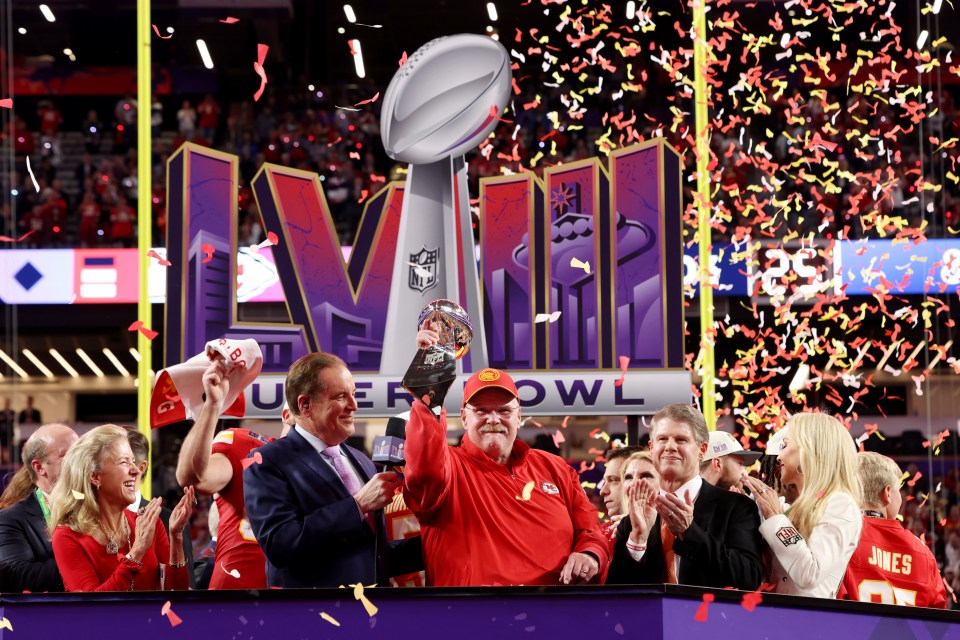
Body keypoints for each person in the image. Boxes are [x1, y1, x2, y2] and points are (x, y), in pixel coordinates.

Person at [406, 324, 609, 586]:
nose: (493, 419)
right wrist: (429, 387)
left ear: (519, 416)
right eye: (481, 411)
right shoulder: (448, 467)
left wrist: (590, 554)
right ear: (464, 418)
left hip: (555, 616)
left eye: (503, 410)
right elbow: (424, 470)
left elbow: (590, 528)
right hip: (474, 618)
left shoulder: (554, 468)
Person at [244, 353, 421, 588]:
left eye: (354, 395)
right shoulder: (265, 461)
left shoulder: (362, 461)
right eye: (341, 397)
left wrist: (436, 543)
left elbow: (370, 555)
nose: (354, 405)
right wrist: (357, 505)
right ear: (305, 405)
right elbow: (280, 545)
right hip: (313, 617)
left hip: (371, 612)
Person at [607, 404, 764, 589]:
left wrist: (689, 533)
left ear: (702, 450)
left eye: (681, 440)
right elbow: (617, 592)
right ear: (651, 448)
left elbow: (749, 577)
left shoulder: (737, 507)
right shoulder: (631, 522)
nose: (670, 447)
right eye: (662, 439)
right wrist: (638, 539)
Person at [176, 357, 291, 590]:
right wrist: (211, 408)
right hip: (238, 596)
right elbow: (195, 479)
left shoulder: (341, 465)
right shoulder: (246, 446)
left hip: (301, 598)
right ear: (289, 413)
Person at [49, 425, 194, 592]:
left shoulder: (149, 525)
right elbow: (94, 606)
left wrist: (176, 538)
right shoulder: (67, 536)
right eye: (124, 462)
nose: (135, 470)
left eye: (133, 461)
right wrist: (137, 552)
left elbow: (177, 593)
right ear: (95, 476)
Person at [743, 413, 863, 599]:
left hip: (809, 623)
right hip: (776, 617)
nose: (779, 456)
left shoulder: (840, 503)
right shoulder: (796, 506)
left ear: (810, 450)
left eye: (785, 445)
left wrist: (775, 517)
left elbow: (810, 574)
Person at [838, 452, 946, 608]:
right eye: (899, 490)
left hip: (856, 632)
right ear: (887, 493)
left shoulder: (841, 538)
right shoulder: (922, 551)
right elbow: (939, 617)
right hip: (908, 633)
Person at [0, 424, 78, 592]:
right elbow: (17, 575)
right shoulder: (11, 519)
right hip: (51, 615)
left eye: (80, 452)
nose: (80, 461)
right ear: (39, 467)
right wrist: (88, 554)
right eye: (68, 455)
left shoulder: (101, 505)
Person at [126, 429, 195, 586]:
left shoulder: (169, 521)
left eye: (120, 461)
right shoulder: (87, 520)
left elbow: (186, 590)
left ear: (140, 468)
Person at [598, 446, 646, 545]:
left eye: (613, 480)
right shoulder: (598, 537)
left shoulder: (665, 531)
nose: (603, 491)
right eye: (605, 481)